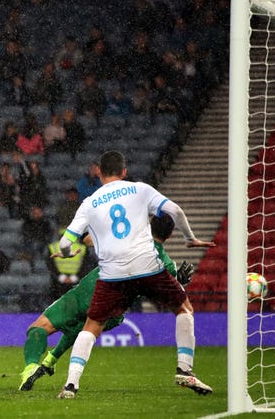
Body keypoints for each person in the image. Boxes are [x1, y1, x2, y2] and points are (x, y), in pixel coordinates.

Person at [52, 150, 215, 399]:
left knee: (92, 326)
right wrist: (190, 238)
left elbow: (65, 242)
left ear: (99, 173)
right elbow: (175, 211)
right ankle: (184, 369)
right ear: (124, 172)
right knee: (184, 308)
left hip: (112, 273)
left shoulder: (90, 202)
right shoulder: (140, 189)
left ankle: (71, 385)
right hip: (146, 266)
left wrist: (68, 252)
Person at [19, 214, 195, 391]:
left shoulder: (125, 238)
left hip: (87, 292)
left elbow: (88, 240)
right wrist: (179, 281)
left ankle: (31, 367)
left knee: (39, 329)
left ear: (148, 226)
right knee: (83, 329)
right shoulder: (166, 264)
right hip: (113, 309)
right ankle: (50, 361)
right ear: (170, 235)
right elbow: (164, 295)